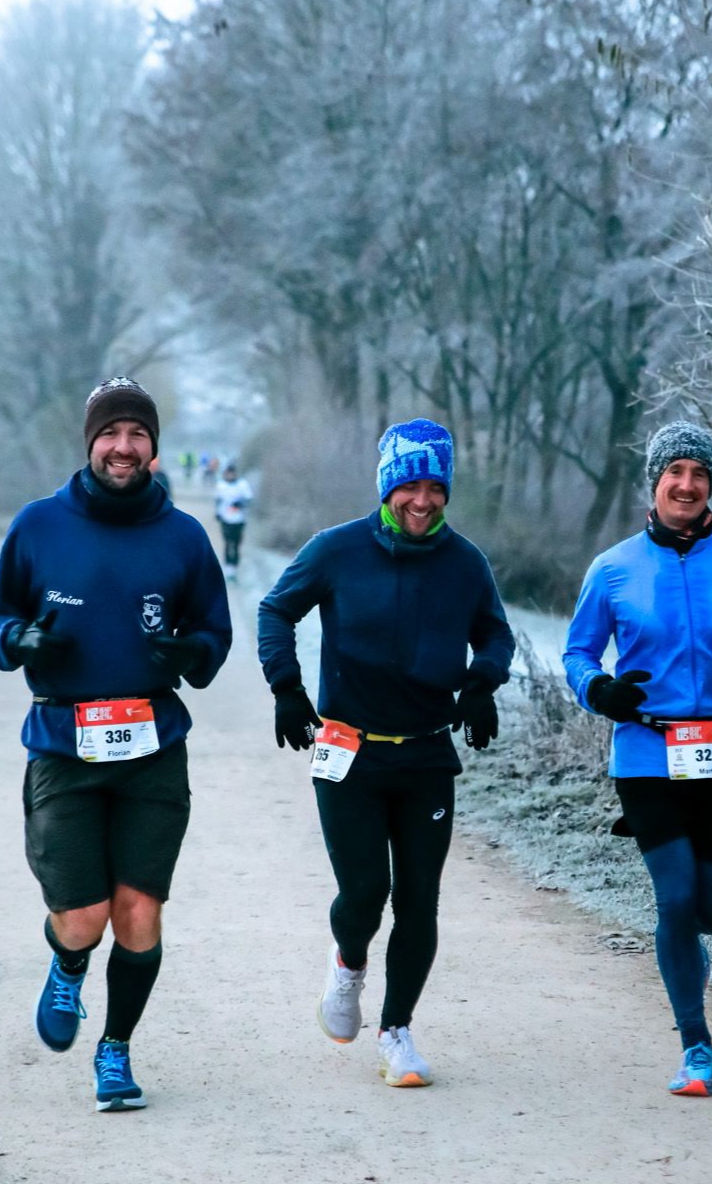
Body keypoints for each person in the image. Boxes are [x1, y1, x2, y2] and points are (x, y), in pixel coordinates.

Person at [0, 377, 232, 1113]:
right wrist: (14, 637)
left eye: (137, 434)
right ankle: (67, 964)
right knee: (83, 918)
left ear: (153, 447)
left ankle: (115, 1049)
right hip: (64, 742)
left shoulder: (183, 535)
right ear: (91, 443)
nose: (124, 447)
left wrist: (191, 654)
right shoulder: (39, 525)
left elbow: (215, 635)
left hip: (153, 745)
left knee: (140, 911)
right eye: (111, 433)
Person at [258, 418, 515, 1087]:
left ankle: (396, 1030)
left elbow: (495, 634)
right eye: (410, 486)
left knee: (420, 899)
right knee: (366, 890)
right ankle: (347, 964)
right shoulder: (337, 550)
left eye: (436, 487)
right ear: (387, 487)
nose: (423, 500)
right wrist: (286, 686)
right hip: (347, 751)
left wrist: (483, 682)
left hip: (427, 755)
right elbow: (275, 609)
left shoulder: (465, 563)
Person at [563, 420, 712, 1098]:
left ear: (710, 486)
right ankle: (696, 1046)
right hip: (646, 751)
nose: (687, 484)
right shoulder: (613, 568)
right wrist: (599, 690)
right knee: (673, 899)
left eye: (699, 474)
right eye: (676, 472)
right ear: (656, 481)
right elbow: (578, 654)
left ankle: (683, 946)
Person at [214, 462, 254, 583]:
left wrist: (241, 504)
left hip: (239, 519)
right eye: (228, 473)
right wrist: (218, 513)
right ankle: (228, 569)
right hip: (225, 519)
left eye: (232, 473)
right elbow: (217, 500)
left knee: (236, 545)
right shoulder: (221, 485)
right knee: (227, 543)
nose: (230, 476)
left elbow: (249, 499)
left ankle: (234, 569)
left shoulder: (242, 485)